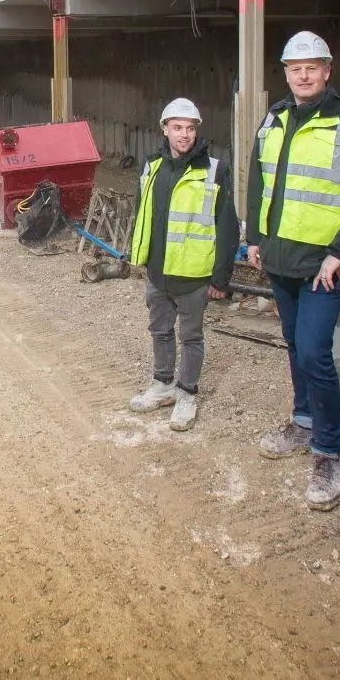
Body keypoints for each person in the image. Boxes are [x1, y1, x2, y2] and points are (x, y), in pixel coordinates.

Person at [246, 31, 340, 512]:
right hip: (281, 256)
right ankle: (302, 421)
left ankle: (327, 450)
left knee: (315, 351)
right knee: (294, 343)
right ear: (286, 73)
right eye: (294, 69)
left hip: (325, 265)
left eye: (311, 68)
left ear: (327, 71)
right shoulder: (275, 117)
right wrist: (255, 237)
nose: (303, 76)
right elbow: (258, 179)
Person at [127, 98, 241, 432]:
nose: (184, 134)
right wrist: (140, 256)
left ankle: (187, 393)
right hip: (157, 272)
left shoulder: (215, 171)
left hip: (193, 275)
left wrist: (220, 279)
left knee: (191, 337)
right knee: (160, 331)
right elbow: (142, 213)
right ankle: (163, 384)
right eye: (177, 127)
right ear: (164, 129)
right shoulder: (152, 166)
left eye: (190, 128)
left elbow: (227, 227)